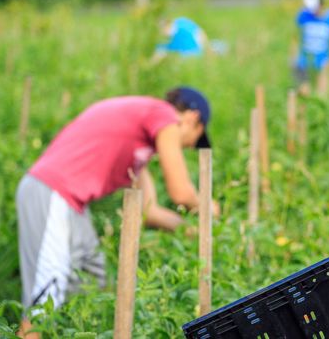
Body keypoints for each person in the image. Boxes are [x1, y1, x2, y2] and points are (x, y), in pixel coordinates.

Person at [17, 86, 219, 337]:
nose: (190, 146)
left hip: (73, 204)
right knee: (46, 296)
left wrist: (190, 230)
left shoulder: (140, 141)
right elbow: (180, 191)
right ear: (192, 118)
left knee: (93, 280)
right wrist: (206, 207)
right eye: (196, 138)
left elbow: (149, 211)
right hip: (52, 193)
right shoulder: (164, 114)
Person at [293, 0, 329, 85]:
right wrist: (294, 54)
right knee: (302, 87)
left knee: (322, 89)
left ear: (321, 4)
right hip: (305, 58)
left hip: (323, 59)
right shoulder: (303, 15)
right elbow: (295, 36)